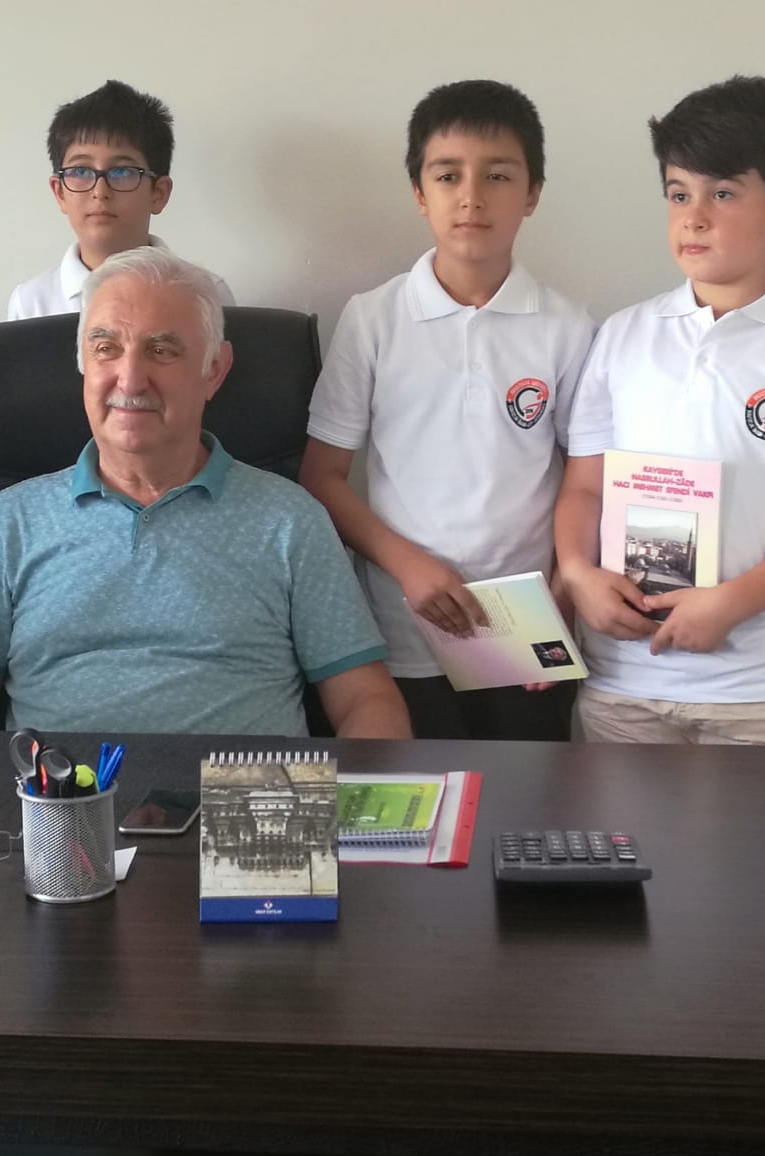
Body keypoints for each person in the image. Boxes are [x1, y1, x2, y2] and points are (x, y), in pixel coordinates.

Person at [0, 247, 409, 738]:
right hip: (67, 793)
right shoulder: (9, 522)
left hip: (245, 792)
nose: (130, 379)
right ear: (82, 363)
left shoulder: (291, 520)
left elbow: (366, 700)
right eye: (106, 349)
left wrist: (355, 799)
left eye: (161, 350)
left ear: (213, 370)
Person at [553, 75, 765, 786]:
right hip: (625, 683)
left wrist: (730, 603)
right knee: (625, 861)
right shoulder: (621, 337)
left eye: (722, 194)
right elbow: (583, 488)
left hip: (764, 691)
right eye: (678, 194)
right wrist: (577, 573)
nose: (694, 218)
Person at [298, 80, 595, 741]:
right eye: (447, 175)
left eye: (497, 176)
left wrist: (566, 589)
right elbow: (321, 477)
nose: (471, 196)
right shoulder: (373, 319)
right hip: (405, 627)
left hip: (527, 631)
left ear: (532, 193)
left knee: (527, 797)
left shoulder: (567, 328)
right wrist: (407, 565)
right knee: (420, 797)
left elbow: (586, 479)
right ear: (419, 192)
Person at [7, 80, 233, 320]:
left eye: (122, 171)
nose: (100, 191)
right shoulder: (31, 304)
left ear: (158, 193)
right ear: (59, 192)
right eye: (81, 171)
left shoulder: (208, 294)